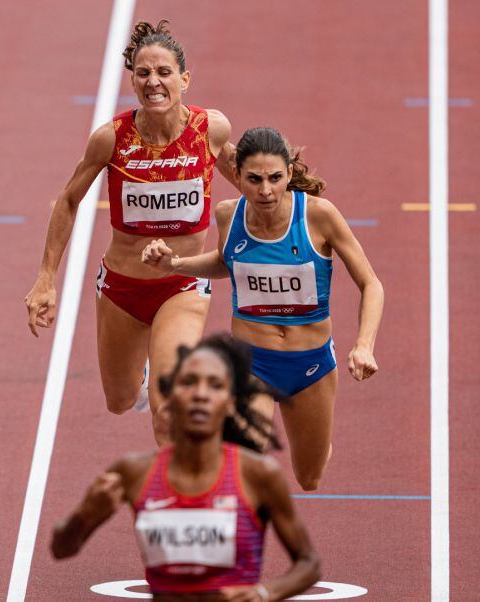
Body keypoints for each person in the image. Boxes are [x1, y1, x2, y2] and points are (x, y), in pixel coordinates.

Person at [25, 20, 237, 445]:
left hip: (183, 285)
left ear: (185, 78)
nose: (153, 82)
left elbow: (251, 181)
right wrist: (46, 278)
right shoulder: (111, 139)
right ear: (133, 80)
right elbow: (68, 200)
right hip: (122, 289)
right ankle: (140, 380)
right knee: (120, 400)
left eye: (163, 72)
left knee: (167, 409)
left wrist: (301, 207)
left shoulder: (209, 130)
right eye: (143, 73)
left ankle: (177, 505)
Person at [141, 127, 384, 491]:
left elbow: (371, 284)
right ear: (237, 176)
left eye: (275, 178)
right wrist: (175, 264)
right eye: (254, 179)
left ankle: (315, 438)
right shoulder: (229, 215)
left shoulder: (319, 217)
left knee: (309, 477)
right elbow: (227, 263)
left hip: (310, 364)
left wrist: (364, 344)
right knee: (243, 460)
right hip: (252, 363)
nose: (265, 190)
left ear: (289, 173)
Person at [51, 334, 320, 601]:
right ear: (169, 396)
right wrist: (83, 516)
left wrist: (265, 593)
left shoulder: (258, 474)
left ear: (230, 403)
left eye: (215, 385)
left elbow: (309, 563)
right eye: (189, 383)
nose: (201, 394)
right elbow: (61, 548)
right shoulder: (134, 472)